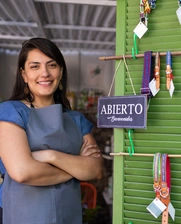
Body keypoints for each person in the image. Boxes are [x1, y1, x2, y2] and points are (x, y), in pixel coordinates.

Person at [0, 37, 103, 224]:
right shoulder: (11, 112)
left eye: (52, 65)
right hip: (25, 215)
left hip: (68, 215)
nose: (45, 73)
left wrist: (50, 156)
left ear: (61, 71)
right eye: (35, 66)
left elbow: (95, 170)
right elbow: (22, 171)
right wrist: (76, 168)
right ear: (23, 74)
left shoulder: (76, 119)